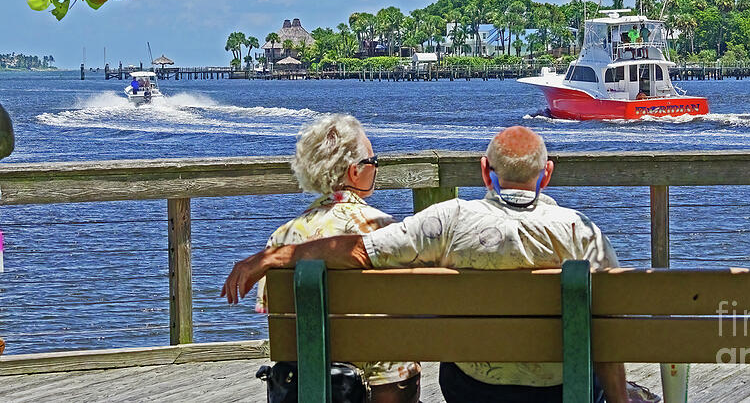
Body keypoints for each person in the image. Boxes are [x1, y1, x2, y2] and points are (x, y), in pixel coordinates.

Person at [223, 126, 630, 403]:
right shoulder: (581, 232)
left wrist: (275, 256)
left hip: (473, 389)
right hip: (560, 389)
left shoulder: (449, 219)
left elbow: (357, 251)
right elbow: (610, 328)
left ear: (485, 170)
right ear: (548, 173)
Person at [255, 113, 420, 403]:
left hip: (306, 373)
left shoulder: (280, 238)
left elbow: (275, 314)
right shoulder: (383, 230)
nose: (377, 169)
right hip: (380, 383)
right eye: (374, 162)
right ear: (355, 172)